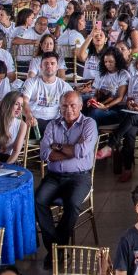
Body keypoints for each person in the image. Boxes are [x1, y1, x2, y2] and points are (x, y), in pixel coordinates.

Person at [35, 91, 98, 249]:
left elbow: (82, 150)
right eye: (64, 106)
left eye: (72, 105)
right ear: (60, 107)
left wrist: (57, 146)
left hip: (79, 177)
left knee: (72, 204)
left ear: (81, 106)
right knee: (38, 201)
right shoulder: (52, 124)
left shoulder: (89, 124)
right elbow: (44, 153)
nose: (68, 109)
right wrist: (73, 150)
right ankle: (56, 248)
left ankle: (57, 249)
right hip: (54, 176)